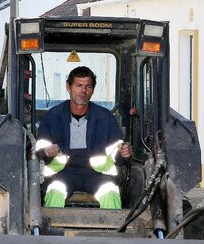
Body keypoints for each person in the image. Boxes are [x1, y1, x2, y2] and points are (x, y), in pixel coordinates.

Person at [35, 66, 133, 209]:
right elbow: (38, 154)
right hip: (62, 173)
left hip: (97, 174)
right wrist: (46, 152)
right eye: (78, 85)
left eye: (88, 86)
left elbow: (117, 157)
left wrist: (124, 154)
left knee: (110, 191)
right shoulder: (52, 116)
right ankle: (51, 230)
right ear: (68, 87)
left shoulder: (105, 117)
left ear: (93, 90)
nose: (83, 90)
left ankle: (113, 231)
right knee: (55, 190)